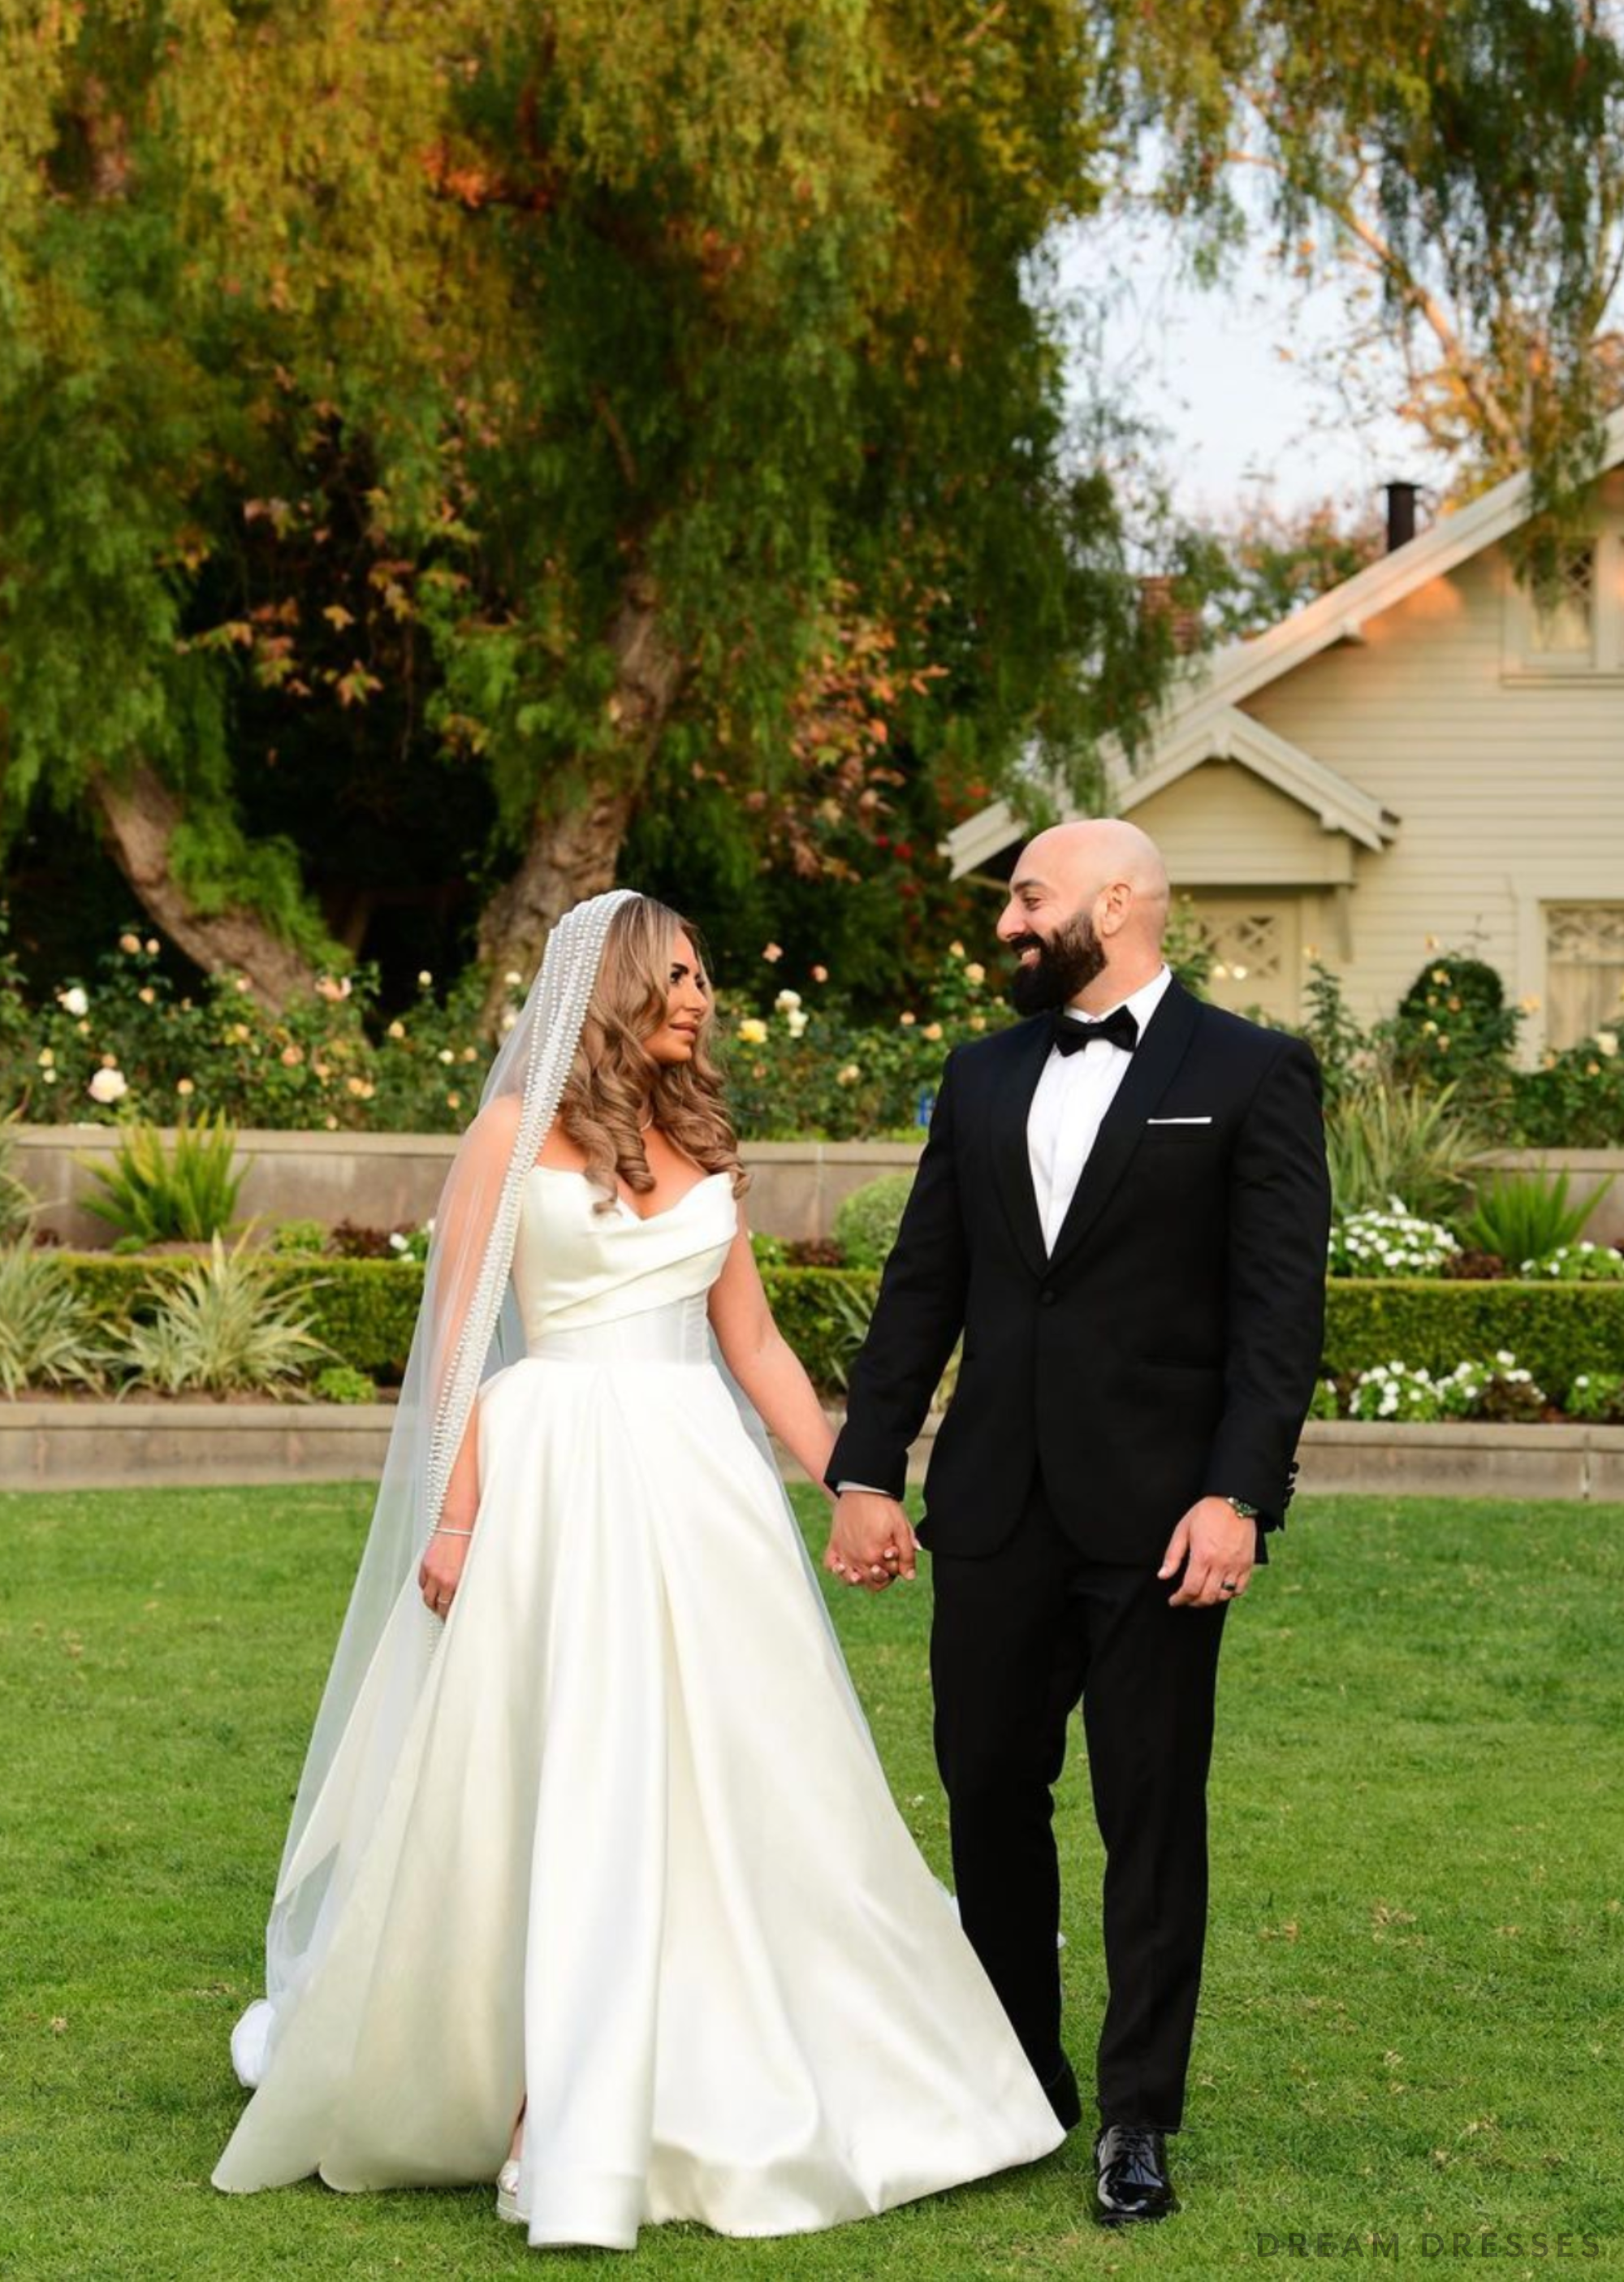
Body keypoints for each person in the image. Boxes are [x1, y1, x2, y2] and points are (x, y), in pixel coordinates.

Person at [212, 889, 1063, 2251]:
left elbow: (761, 1350)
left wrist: (851, 1482)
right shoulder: (506, 1135)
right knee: (566, 1774)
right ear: (609, 984)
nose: (700, 997)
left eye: (706, 978)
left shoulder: (708, 1146)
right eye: (676, 976)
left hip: (696, 1482)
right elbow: (455, 1347)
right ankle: (538, 2095)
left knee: (734, 1769)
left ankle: (711, 2065)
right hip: (552, 1476)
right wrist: (451, 1514)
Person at [824, 819, 1331, 2228]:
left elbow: (1280, 1315)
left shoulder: (1248, 1073)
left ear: (1118, 902)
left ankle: (1136, 2120)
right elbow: (924, 1287)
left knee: (1149, 1816)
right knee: (988, 1792)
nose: (1008, 926)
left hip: (1163, 1519)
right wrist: (869, 1468)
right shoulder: (981, 1076)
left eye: (1028, 899)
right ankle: (1017, 2081)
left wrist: (1239, 1495)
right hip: (992, 1510)